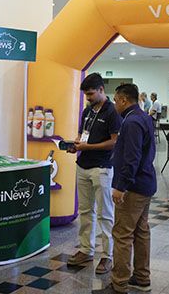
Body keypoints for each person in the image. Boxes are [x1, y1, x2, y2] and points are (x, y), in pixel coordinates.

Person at [66, 73, 121, 274]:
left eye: (90, 94)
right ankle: (86, 250)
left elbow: (114, 141)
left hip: (102, 167)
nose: (88, 98)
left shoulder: (112, 111)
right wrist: (76, 144)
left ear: (101, 90)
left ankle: (107, 255)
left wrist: (88, 147)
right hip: (83, 165)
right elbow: (82, 135)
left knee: (105, 213)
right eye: (86, 94)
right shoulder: (87, 111)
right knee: (85, 211)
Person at [108, 83, 157, 293]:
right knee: (141, 231)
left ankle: (119, 283)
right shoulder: (143, 117)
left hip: (133, 187)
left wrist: (121, 186)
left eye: (115, 100)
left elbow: (132, 157)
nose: (114, 104)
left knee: (122, 234)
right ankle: (142, 277)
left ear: (123, 100)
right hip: (146, 183)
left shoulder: (131, 122)